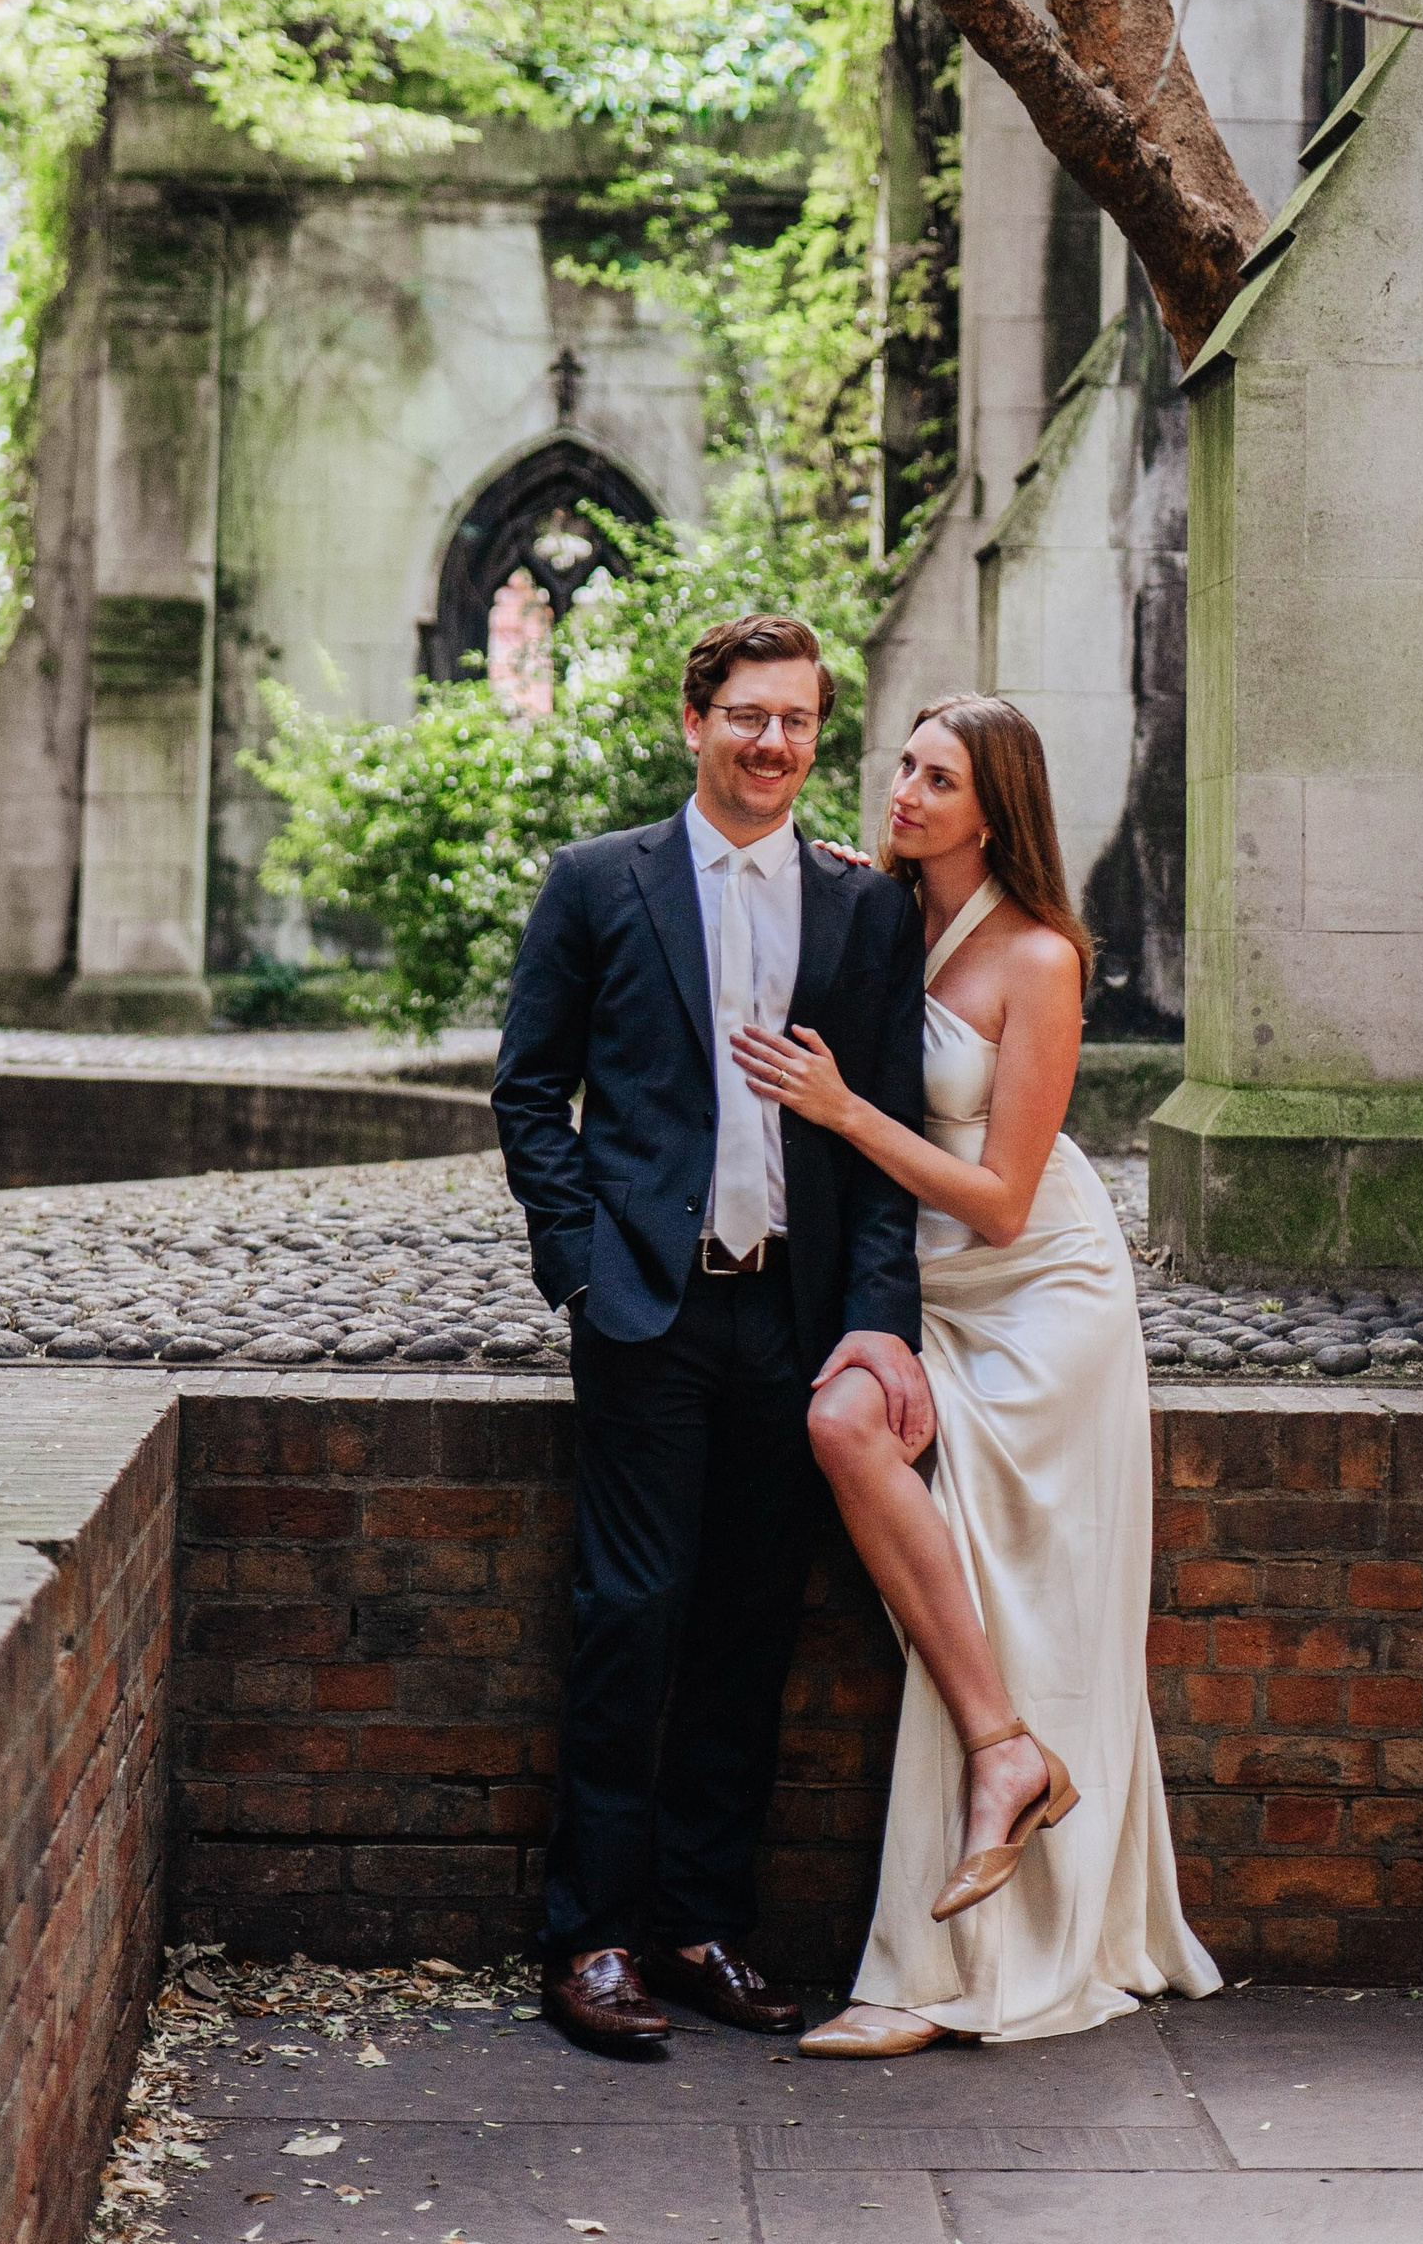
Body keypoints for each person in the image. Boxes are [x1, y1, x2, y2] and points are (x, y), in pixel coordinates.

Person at [730, 689, 1220, 2051]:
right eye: (902, 765)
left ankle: (958, 1961)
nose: (903, 790)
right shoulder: (884, 917)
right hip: (922, 1282)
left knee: (1027, 1591)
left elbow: (1006, 1198)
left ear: (996, 807)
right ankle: (1009, 1757)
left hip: (1038, 1298)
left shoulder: (1041, 959)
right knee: (849, 1432)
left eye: (936, 778)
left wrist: (841, 1109)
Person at [492, 610, 930, 2063]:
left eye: (799, 721)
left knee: (752, 1622)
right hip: (649, 1308)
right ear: (696, 722)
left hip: (793, 1320)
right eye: (748, 715)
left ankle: (697, 1927)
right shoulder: (598, 884)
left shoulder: (864, 909)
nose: (773, 743)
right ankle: (593, 1937)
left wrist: (875, 1324)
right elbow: (529, 1090)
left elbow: (883, 1149)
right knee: (632, 1614)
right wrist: (578, 1266)